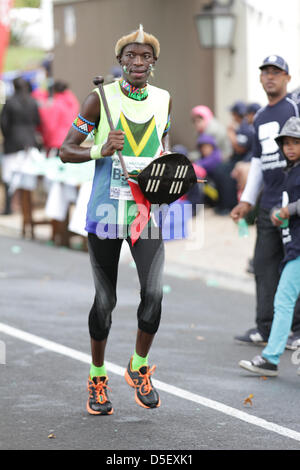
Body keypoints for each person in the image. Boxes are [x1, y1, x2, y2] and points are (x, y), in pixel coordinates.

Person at [59, 25, 171, 415]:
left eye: (145, 57)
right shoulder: (98, 99)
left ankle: (138, 368)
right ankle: (96, 377)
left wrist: (171, 177)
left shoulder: (163, 100)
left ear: (153, 63)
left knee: (154, 294)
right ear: (121, 60)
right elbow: (65, 150)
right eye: (131, 56)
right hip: (106, 214)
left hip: (146, 212)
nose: (138, 62)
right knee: (105, 301)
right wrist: (100, 150)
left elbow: (164, 148)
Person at [231, 55, 300, 348]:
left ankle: (295, 331)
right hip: (268, 201)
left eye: (276, 72)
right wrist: (247, 201)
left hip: (294, 203)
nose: (270, 77)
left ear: (287, 77)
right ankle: (266, 328)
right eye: (265, 72)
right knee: (263, 265)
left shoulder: (294, 108)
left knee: (293, 264)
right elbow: (257, 162)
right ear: (260, 78)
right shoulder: (258, 117)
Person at [239, 116, 300, 376]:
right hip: (294, 246)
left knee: (284, 298)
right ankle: (271, 356)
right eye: (285, 143)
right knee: (284, 299)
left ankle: (271, 357)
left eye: (296, 142)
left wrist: (288, 210)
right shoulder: (290, 171)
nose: (289, 147)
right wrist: (279, 212)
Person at [0, 77, 40, 214]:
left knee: (9, 177)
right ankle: (27, 209)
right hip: (30, 141)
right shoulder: (33, 101)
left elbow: (4, 124)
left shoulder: (10, 102)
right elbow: (37, 121)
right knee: (28, 177)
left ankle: (9, 207)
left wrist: (8, 136)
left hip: (12, 143)